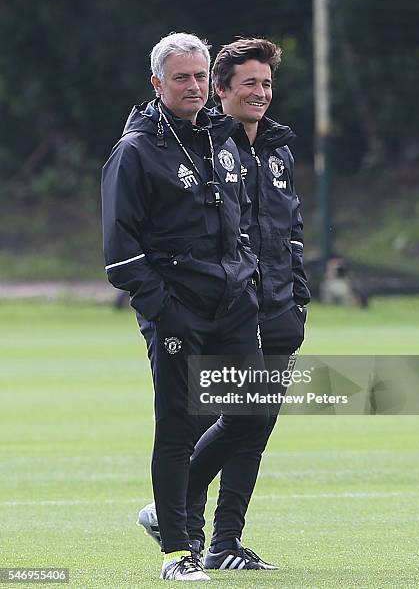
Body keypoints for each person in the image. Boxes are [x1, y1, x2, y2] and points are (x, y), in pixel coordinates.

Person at [138, 38, 311, 571]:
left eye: (266, 83)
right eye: (248, 84)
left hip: (279, 311)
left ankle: (224, 543)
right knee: (208, 422)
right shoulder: (212, 146)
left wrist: (298, 298)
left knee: (253, 428)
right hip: (233, 308)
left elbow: (290, 231)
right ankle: (177, 531)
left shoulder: (278, 149)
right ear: (220, 91)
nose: (260, 93)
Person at [101, 32, 267, 582]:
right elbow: (121, 252)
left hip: (232, 302)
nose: (193, 86)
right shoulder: (136, 151)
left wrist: (246, 275)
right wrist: (164, 310)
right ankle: (178, 550)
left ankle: (167, 511)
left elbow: (238, 220)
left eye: (199, 76)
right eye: (181, 77)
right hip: (176, 308)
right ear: (158, 84)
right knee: (178, 424)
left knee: (253, 410)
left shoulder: (222, 138)